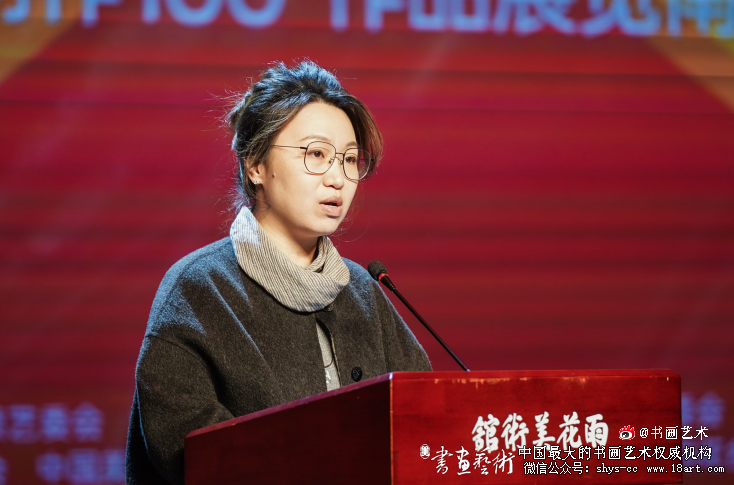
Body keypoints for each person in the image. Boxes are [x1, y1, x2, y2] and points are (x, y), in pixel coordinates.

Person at [124, 60, 432, 485]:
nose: (338, 179)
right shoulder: (196, 290)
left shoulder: (363, 289)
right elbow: (191, 456)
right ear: (256, 165)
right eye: (316, 154)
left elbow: (427, 420)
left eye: (348, 159)